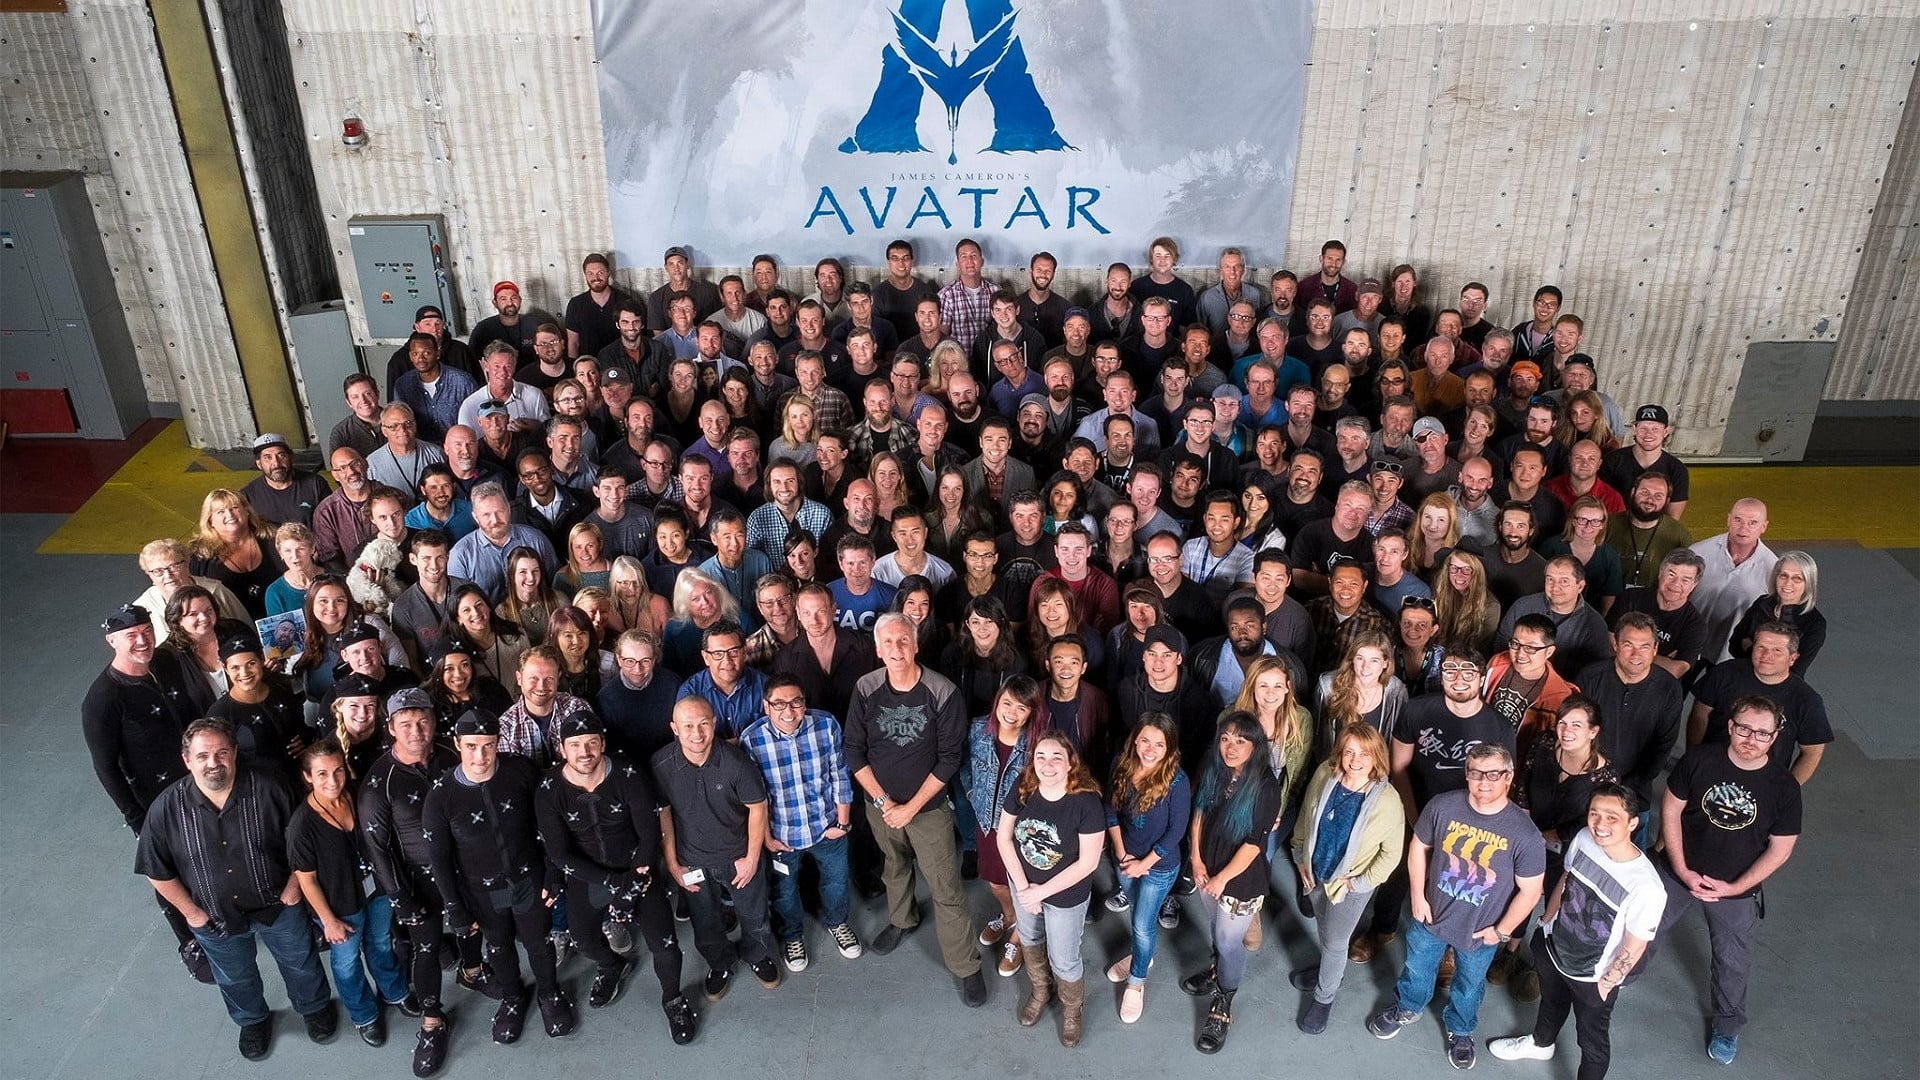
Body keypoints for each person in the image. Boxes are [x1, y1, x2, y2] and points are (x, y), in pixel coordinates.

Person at [137, 719, 336, 1060]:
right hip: (214, 916)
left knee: (301, 962)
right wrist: (191, 913)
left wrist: (293, 887)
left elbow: (304, 841)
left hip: (278, 905)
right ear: (187, 760)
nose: (213, 762)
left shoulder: (272, 788)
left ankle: (314, 1006)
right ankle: (252, 1020)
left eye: (221, 753)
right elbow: (155, 869)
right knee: (234, 977)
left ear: (234, 753)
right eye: (202, 756)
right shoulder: (165, 809)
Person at [1366, 743, 1546, 1072]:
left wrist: (1501, 931)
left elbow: (1531, 891)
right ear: (1466, 774)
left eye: (1493, 774)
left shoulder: (1525, 834)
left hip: (1480, 930)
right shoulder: (1443, 806)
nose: (1483, 781)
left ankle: (1461, 1029)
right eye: (1476, 773)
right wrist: (1417, 896)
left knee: (1469, 984)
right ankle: (1408, 1006)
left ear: (1508, 777)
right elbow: (1418, 847)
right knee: (1417, 968)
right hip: (1431, 917)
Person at [845, 613, 988, 1005]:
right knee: (894, 866)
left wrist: (910, 809)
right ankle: (902, 919)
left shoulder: (941, 691)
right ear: (878, 649)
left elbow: (949, 759)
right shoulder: (866, 688)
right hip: (881, 806)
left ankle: (966, 965)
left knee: (945, 886)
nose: (897, 649)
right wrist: (884, 802)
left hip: (928, 810)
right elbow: (854, 750)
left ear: (916, 644)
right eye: (888, 643)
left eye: (903, 641)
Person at [534, 712, 699, 1043]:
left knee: (665, 944)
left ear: (603, 744)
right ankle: (612, 964)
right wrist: (615, 885)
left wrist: (632, 883)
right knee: (583, 938)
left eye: (591, 743)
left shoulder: (628, 773)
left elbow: (649, 834)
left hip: (637, 868)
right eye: (575, 745)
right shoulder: (549, 789)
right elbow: (560, 854)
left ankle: (673, 998)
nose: (584, 752)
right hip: (588, 873)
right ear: (562, 749)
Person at [1658, 696, 1803, 1065]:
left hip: (1736, 889)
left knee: (1732, 962)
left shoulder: (1784, 787)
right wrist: (1681, 869)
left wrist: (1736, 888)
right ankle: (1614, 981)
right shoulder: (1699, 760)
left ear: (1775, 737)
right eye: (1744, 729)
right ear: (1730, 727)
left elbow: (1780, 850)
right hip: (1679, 870)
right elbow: (1671, 810)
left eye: (1762, 733)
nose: (1751, 738)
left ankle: (1727, 1027)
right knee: (1640, 930)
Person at [1488, 782, 1666, 1079]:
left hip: (1592, 975)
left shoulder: (1647, 887)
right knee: (1551, 1002)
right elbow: (1567, 878)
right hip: (1555, 947)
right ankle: (1541, 1044)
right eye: (1595, 813)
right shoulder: (1584, 838)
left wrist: (1607, 982)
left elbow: (1635, 944)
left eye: (1612, 817)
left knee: (1592, 1042)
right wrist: (1546, 921)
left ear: (1633, 823)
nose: (1600, 824)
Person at [423, 707, 578, 1044]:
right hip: (481, 890)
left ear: (498, 743)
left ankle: (549, 993)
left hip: (528, 878)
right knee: (498, 946)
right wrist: (455, 907)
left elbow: (549, 825)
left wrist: (553, 872)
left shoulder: (521, 771)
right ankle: (512, 997)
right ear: (457, 744)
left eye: (488, 746)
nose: (480, 756)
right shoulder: (440, 797)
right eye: (471, 746)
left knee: (539, 942)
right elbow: (440, 860)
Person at [83, 604, 208, 981]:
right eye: (131, 636)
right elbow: (106, 767)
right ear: (112, 641)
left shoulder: (165, 663)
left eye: (146, 631)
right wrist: (136, 818)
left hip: (197, 783)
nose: (142, 641)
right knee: (167, 869)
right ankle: (189, 940)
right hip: (154, 801)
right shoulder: (103, 698)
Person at [653, 696, 782, 1000]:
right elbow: (664, 814)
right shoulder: (661, 765)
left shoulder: (737, 762)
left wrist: (752, 858)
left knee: (754, 914)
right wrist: (673, 864)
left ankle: (757, 955)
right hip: (692, 860)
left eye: (703, 724)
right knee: (705, 920)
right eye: (688, 726)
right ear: (674, 728)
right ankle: (719, 963)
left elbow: (758, 808)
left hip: (738, 856)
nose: (697, 733)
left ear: (713, 723)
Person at [286, 739, 409, 1048]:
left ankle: (394, 992)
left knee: (381, 943)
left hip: (375, 891)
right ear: (307, 777)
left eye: (338, 770)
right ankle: (364, 1015)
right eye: (322, 774)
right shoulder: (302, 826)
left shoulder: (356, 793)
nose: (333, 780)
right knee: (347, 961)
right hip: (340, 906)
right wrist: (328, 921)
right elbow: (307, 880)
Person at [1288, 722, 1407, 1034]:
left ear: (1376, 757)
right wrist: (1299, 855)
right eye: (1349, 752)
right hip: (1315, 872)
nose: (1355, 760)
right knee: (1324, 926)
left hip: (1349, 885)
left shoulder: (1388, 801)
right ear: (1339, 752)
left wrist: (1359, 883)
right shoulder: (1324, 774)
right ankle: (1330, 970)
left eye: (1364, 754)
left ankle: (1324, 997)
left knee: (1336, 941)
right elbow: (1306, 815)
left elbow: (1391, 855)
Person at [1177, 712, 1283, 1054]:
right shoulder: (1216, 770)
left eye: (1240, 740)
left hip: (1239, 879)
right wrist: (1196, 858)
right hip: (1207, 869)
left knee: (1228, 940)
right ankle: (1217, 969)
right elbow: (1199, 811)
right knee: (1215, 926)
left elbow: (1254, 845)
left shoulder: (1266, 786)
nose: (1231, 747)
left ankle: (1223, 1003)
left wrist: (1222, 878)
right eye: (1225, 738)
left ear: (1255, 745)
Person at [998, 732, 1105, 1047]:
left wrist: (1039, 893)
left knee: (1063, 958)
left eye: (1056, 757)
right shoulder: (1023, 787)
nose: (1047, 764)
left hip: (1064, 894)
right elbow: (1004, 837)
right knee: (1030, 939)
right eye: (1040, 757)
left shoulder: (1086, 801)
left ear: (1071, 762)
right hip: (1023, 884)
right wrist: (1023, 888)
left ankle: (1072, 1008)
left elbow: (1088, 863)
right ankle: (1041, 991)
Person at [1100, 712, 1191, 1023]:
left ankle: (1136, 982)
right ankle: (1143, 955)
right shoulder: (1121, 763)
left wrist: (1143, 865)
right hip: (1125, 859)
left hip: (1159, 866)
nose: (1150, 750)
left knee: (1141, 923)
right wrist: (1121, 853)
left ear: (1169, 748)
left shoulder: (1177, 780)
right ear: (1135, 740)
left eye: (1159, 744)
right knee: (1140, 915)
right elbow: (1110, 810)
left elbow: (1176, 831)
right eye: (1145, 741)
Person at [1687, 622, 1831, 783]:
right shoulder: (1724, 673)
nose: (1766, 655)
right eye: (1760, 647)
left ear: (1793, 658)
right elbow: (1700, 715)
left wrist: (1787, 789)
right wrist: (1693, 761)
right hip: (1710, 770)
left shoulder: (1807, 700)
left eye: (1777, 650)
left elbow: (1812, 752)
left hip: (1763, 783)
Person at [1688, 498, 1778, 665]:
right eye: (1738, 520)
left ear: (1764, 527)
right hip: (1689, 644)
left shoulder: (1772, 569)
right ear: (1728, 519)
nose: (1743, 528)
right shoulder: (1698, 552)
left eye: (1752, 523)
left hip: (1729, 653)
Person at [1497, 555, 1613, 679]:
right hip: (1515, 677)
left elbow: (1594, 671)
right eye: (1550, 579)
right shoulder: (1523, 606)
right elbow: (1501, 643)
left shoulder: (1594, 624)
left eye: (1564, 581)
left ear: (1580, 586)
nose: (1555, 587)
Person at [190, 488, 288, 618]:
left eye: (234, 508)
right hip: (234, 625)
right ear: (210, 521)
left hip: (286, 618)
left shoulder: (275, 536)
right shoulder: (200, 557)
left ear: (246, 511)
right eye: (220, 512)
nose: (229, 515)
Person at [1726, 550, 1826, 675]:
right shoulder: (1762, 603)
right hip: (1743, 675)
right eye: (1783, 576)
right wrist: (1777, 659)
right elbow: (1734, 644)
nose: (1788, 583)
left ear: (1809, 583)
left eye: (1797, 578)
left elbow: (1796, 669)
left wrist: (1751, 648)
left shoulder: (1815, 623)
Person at [1603, 471, 1692, 589]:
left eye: (1658, 496)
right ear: (1633, 492)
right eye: (1644, 492)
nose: (1650, 500)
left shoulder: (1679, 534)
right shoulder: (1606, 525)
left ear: (1667, 501)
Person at [241, 432, 333, 528]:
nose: (276, 463)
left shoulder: (315, 484)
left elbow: (332, 522)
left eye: (281, 455)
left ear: (291, 457)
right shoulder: (248, 496)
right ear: (259, 464)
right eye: (268, 457)